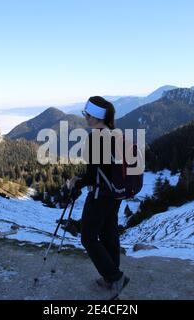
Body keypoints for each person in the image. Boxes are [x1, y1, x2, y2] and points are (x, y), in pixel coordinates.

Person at [69, 96, 130, 299]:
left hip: (100, 195)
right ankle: (110, 279)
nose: (85, 117)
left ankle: (115, 276)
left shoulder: (96, 138)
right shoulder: (114, 134)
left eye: (86, 114)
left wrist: (77, 182)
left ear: (95, 116)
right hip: (116, 194)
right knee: (109, 234)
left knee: (88, 237)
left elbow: (92, 173)